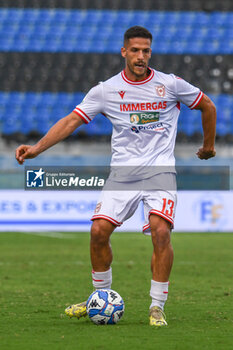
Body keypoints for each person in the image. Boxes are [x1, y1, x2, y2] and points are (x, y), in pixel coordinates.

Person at [15, 26, 216, 326]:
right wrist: (36, 150)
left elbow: (207, 105)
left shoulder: (170, 85)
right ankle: (99, 298)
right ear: (124, 52)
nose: (141, 56)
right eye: (135, 50)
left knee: (161, 231)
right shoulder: (106, 90)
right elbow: (72, 120)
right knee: (98, 233)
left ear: (151, 52)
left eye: (146, 51)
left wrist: (209, 146)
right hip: (122, 175)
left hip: (159, 171)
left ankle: (156, 306)